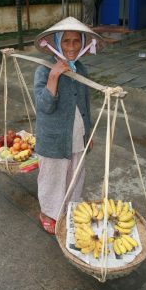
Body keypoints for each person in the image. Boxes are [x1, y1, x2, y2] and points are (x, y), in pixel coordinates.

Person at [33, 17, 103, 234]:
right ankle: (48, 213)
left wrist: (88, 133)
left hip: (77, 134)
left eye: (76, 41)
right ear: (55, 43)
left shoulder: (80, 70)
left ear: (83, 43)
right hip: (54, 138)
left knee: (74, 174)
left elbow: (85, 106)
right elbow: (44, 107)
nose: (71, 47)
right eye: (66, 41)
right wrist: (54, 76)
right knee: (52, 177)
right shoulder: (44, 71)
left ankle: (69, 210)